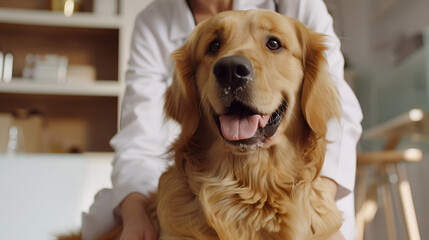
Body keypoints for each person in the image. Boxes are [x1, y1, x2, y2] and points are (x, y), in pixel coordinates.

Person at [81, 0, 363, 239]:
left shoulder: (298, 4)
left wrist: (320, 202)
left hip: (309, 186)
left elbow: (339, 105)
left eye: (273, 44)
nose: (231, 64)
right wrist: (135, 216)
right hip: (194, 191)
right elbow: (137, 136)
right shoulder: (153, 21)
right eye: (214, 46)